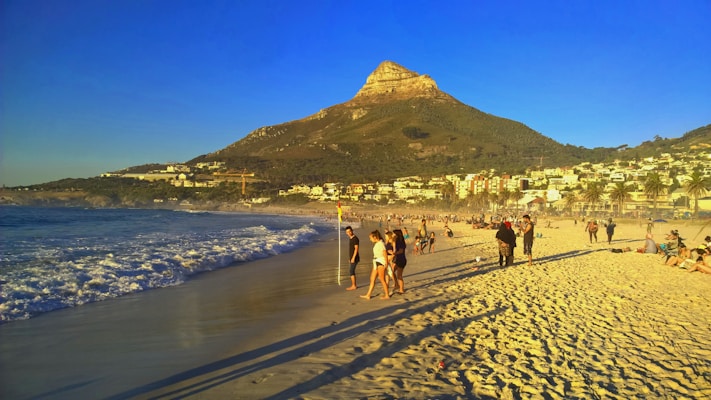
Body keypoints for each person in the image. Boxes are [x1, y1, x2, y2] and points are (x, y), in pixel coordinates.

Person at [361, 230, 390, 300]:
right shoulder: (377, 243)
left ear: (375, 237)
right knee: (372, 278)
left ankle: (387, 295)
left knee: (382, 279)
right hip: (376, 262)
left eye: (370, 238)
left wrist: (386, 263)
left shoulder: (381, 243)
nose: (370, 239)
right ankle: (368, 295)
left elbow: (385, 253)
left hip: (381, 262)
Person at [392, 229, 408, 293]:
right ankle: (396, 284)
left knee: (399, 275)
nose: (392, 235)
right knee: (392, 271)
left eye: (393, 234)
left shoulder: (400, 241)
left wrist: (394, 253)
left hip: (401, 259)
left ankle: (401, 289)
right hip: (398, 259)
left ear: (397, 235)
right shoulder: (397, 241)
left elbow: (401, 251)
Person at [344, 226, 360, 290]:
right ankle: (353, 285)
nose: (348, 233)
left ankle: (354, 285)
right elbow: (351, 250)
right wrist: (350, 258)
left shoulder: (355, 239)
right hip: (352, 257)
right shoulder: (350, 238)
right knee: (351, 271)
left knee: (351, 271)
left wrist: (353, 258)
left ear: (352, 231)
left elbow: (356, 249)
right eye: (347, 232)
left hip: (355, 257)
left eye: (349, 231)